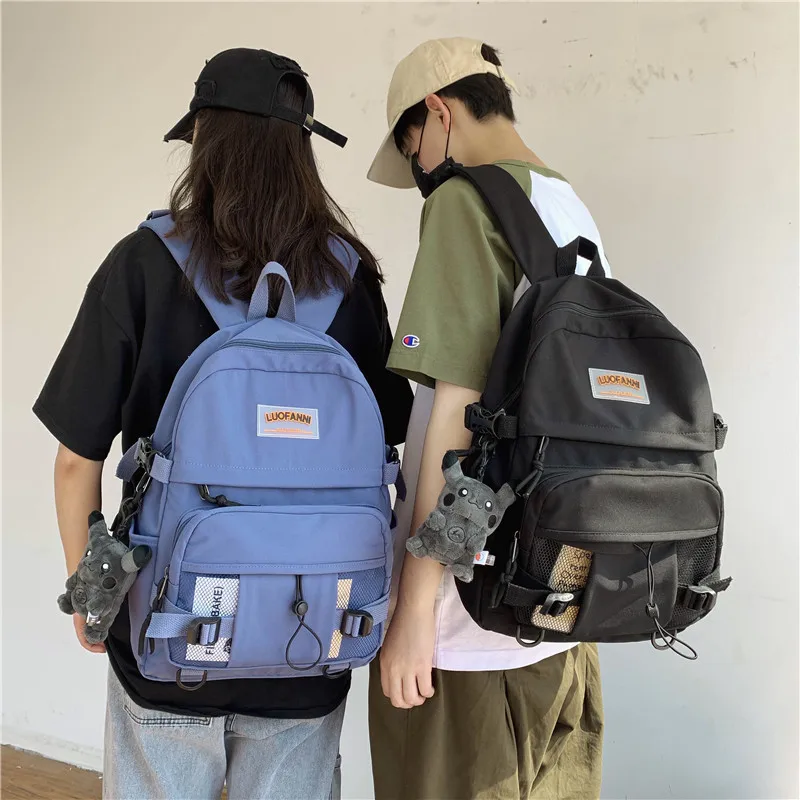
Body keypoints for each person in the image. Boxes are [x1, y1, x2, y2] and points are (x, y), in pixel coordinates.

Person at [34, 47, 413, 800]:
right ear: (303, 151)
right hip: (312, 644)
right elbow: (389, 444)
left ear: (203, 142)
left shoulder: (141, 264)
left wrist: (92, 593)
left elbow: (77, 460)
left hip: (169, 639)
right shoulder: (352, 280)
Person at [366, 38, 605, 800]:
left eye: (413, 151)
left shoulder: (465, 202)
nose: (420, 173)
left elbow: (456, 415)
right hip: (559, 612)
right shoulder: (567, 205)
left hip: (468, 634)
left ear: (439, 113)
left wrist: (413, 613)